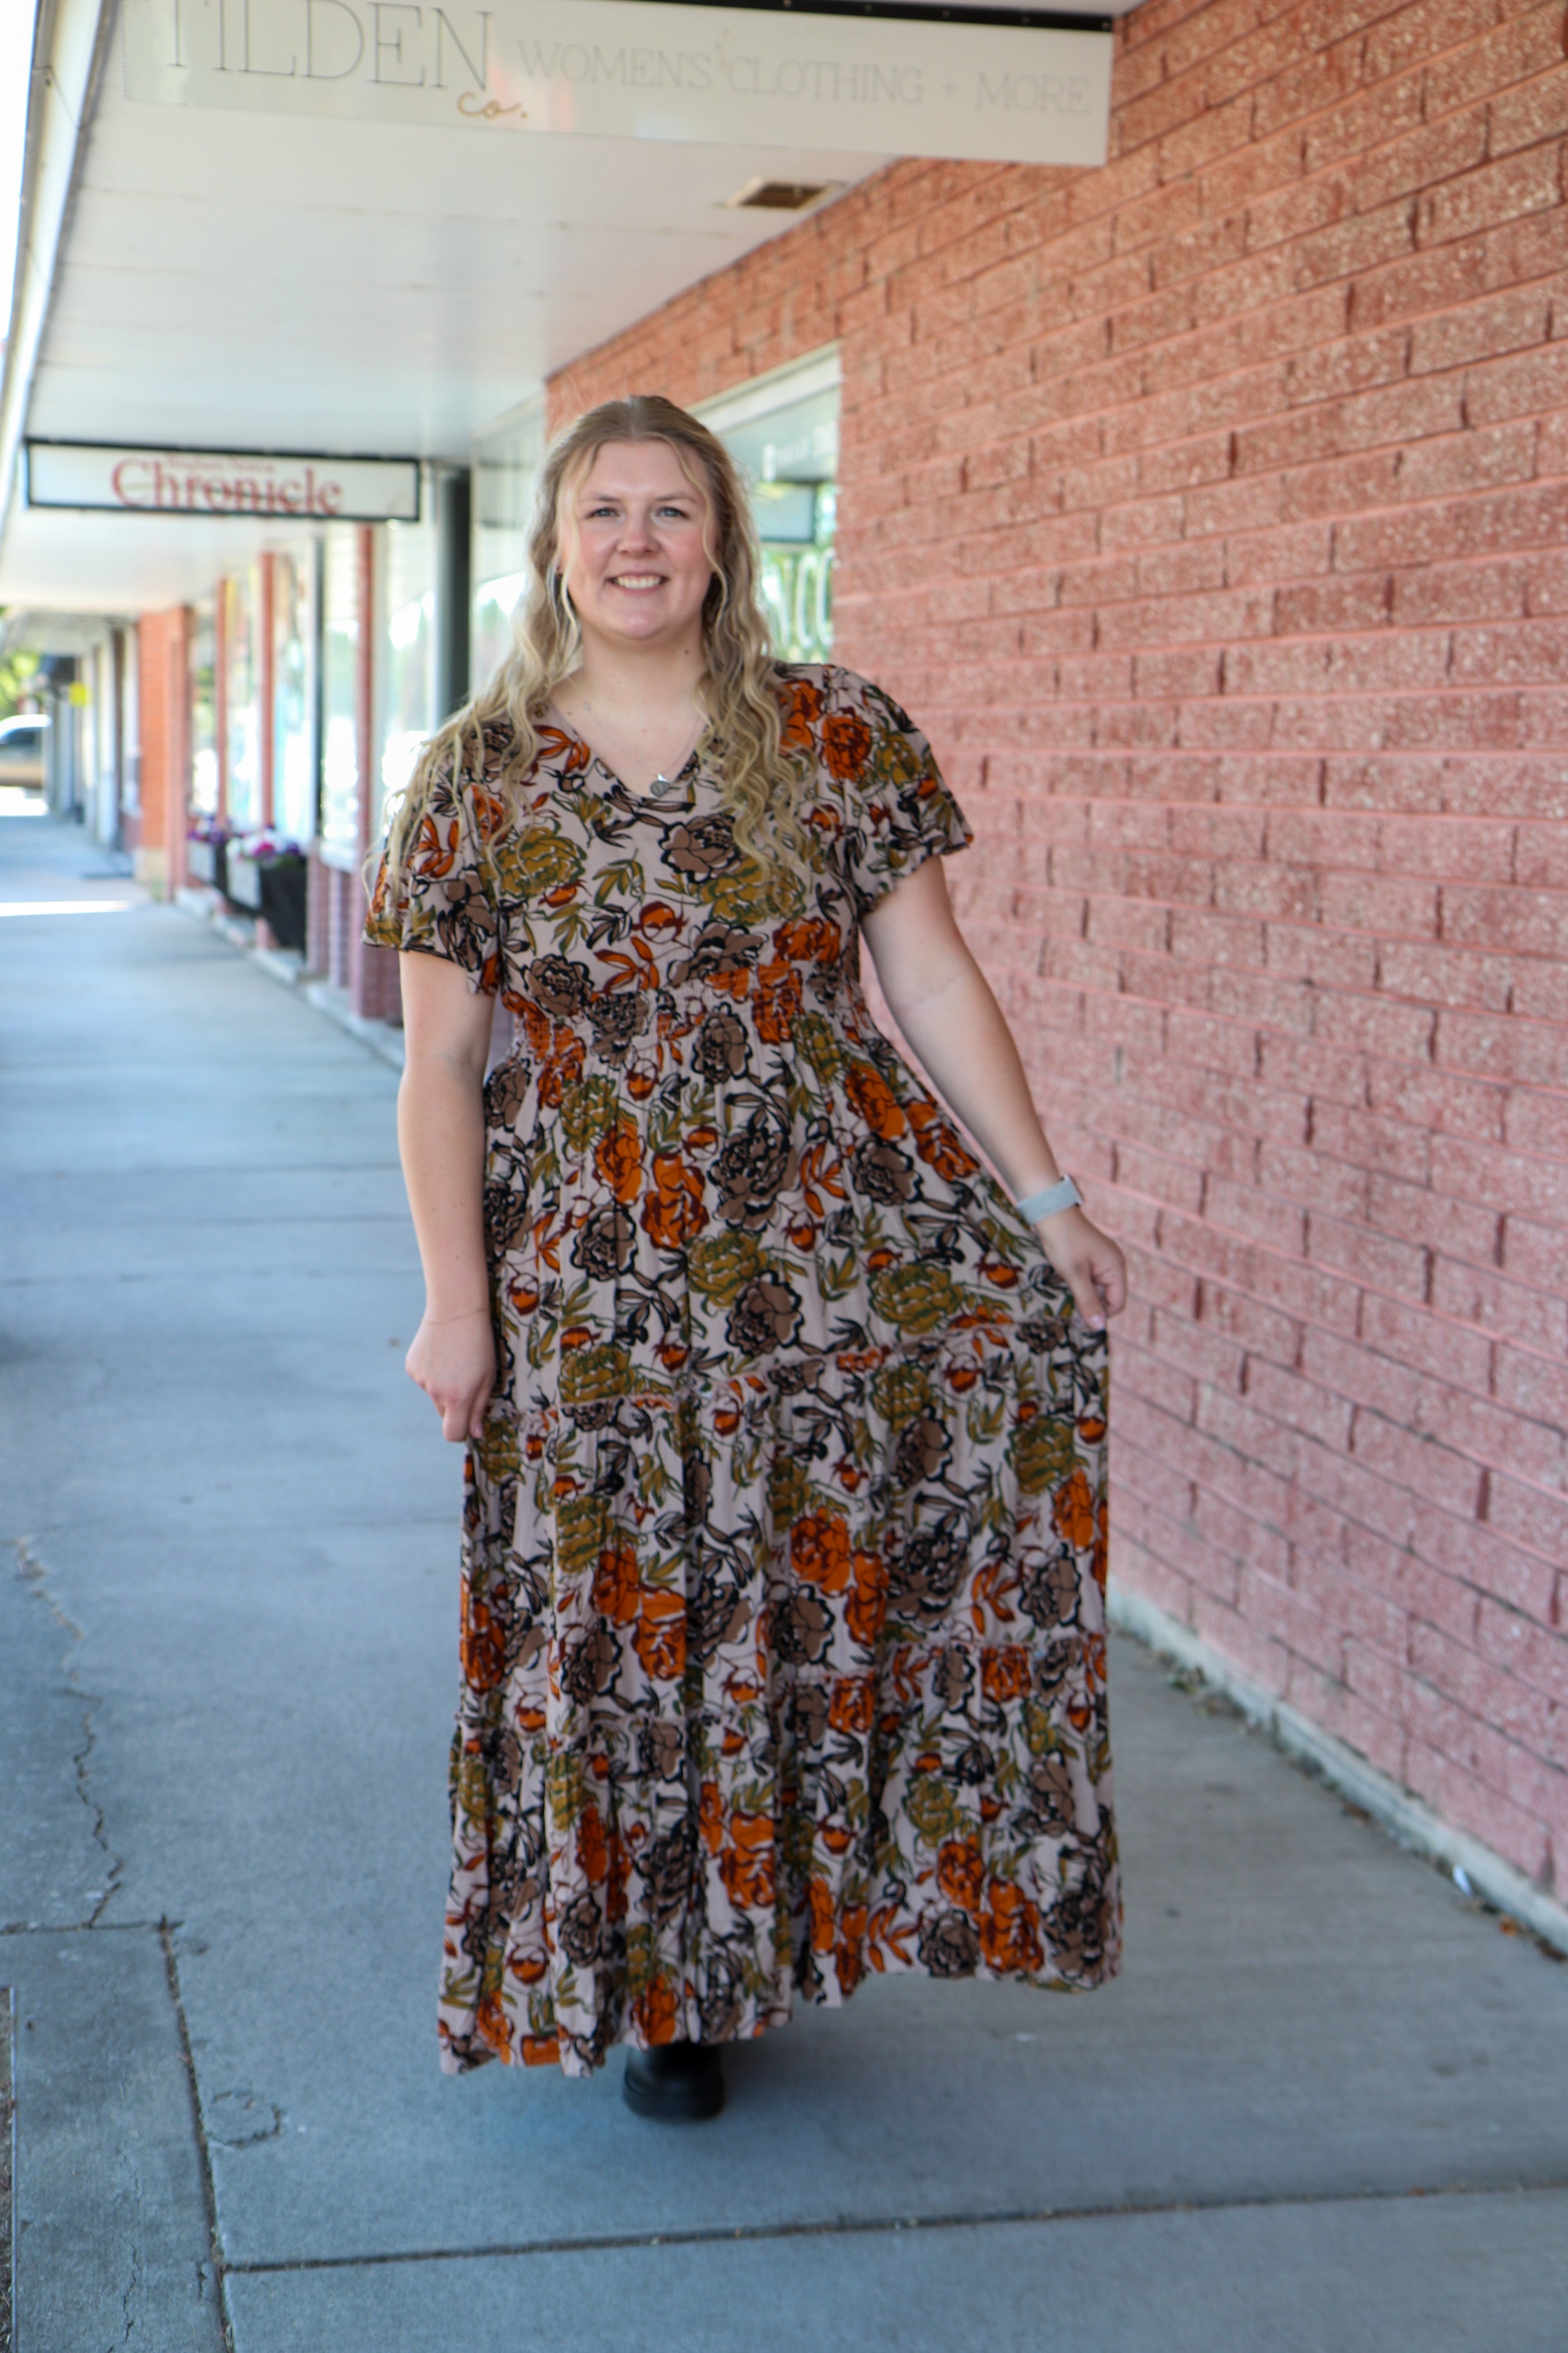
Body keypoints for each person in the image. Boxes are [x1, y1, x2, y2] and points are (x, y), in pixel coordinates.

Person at [365, 394, 1128, 2124]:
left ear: (725, 540)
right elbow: (436, 1065)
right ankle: (652, 1985)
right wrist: (452, 1301)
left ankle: (764, 1940)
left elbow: (929, 982)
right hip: (586, 1269)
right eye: (606, 509)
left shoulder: (837, 736)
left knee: (779, 1595)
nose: (638, 539)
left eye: (674, 508)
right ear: (558, 544)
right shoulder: (475, 777)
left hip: (824, 1254)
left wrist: (1048, 1198)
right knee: (617, 1618)